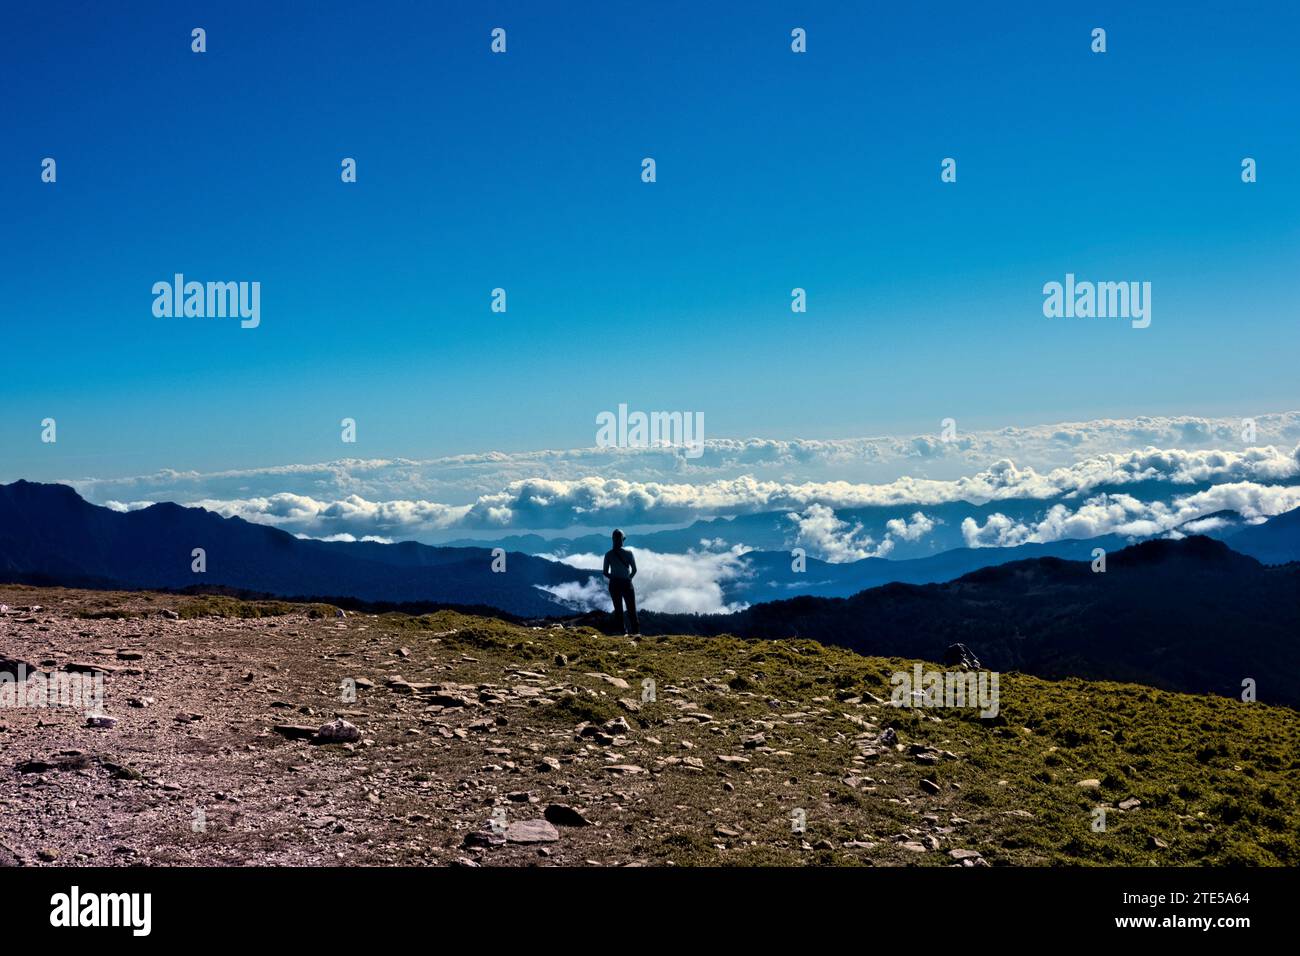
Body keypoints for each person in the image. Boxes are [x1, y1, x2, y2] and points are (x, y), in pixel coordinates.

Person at [602, 528, 639, 636]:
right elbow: (634, 570)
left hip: (614, 584)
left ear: (613, 539)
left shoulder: (608, 554)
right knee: (632, 609)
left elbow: (605, 572)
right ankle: (636, 633)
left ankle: (622, 632)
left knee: (618, 610)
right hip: (627, 583)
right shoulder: (629, 553)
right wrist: (628, 578)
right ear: (623, 539)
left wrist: (613, 577)